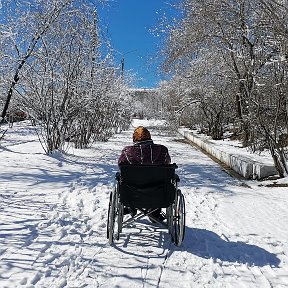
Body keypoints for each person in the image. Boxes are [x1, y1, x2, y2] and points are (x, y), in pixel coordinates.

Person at [118, 126, 171, 222]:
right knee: (159, 181)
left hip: (133, 194)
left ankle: (131, 207)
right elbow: (167, 163)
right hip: (158, 194)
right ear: (149, 136)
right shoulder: (162, 150)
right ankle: (155, 213)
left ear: (134, 138)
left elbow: (121, 165)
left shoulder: (127, 152)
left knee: (126, 180)